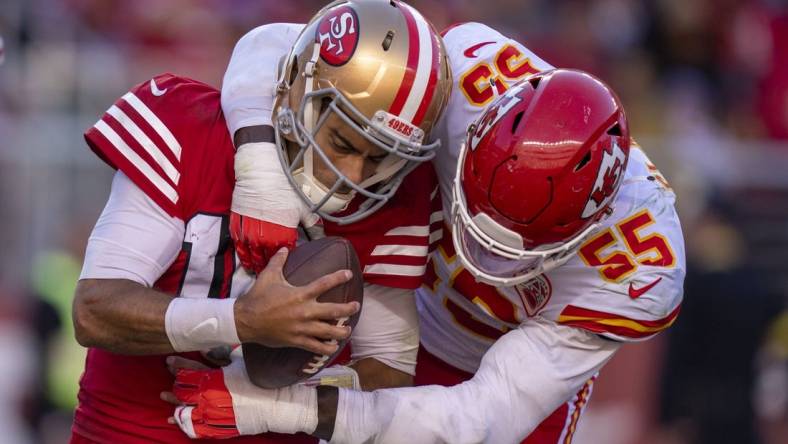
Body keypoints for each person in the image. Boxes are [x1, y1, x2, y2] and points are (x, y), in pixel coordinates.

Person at [167, 23, 685, 444]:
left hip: (503, 369)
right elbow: (280, 46)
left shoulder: (639, 269)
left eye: (511, 237)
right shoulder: (466, 75)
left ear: (588, 229)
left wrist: (288, 409)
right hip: (394, 310)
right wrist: (262, 177)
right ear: (478, 132)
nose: (478, 244)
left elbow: (482, 417)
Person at [70, 1, 451, 442]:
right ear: (295, 91)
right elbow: (94, 311)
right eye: (343, 141)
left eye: (381, 156)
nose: (356, 175)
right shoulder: (191, 127)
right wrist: (243, 320)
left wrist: (274, 404)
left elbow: (388, 372)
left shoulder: (393, 198)